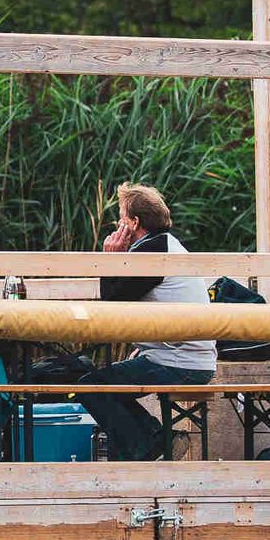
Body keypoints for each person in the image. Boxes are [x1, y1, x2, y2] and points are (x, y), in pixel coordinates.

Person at [75, 185, 214, 461]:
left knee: (91, 386)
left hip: (179, 364)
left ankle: (150, 446)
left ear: (134, 222)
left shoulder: (151, 253)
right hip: (189, 358)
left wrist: (110, 260)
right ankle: (155, 440)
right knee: (108, 386)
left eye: (120, 218)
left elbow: (113, 304)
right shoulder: (166, 246)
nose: (117, 225)